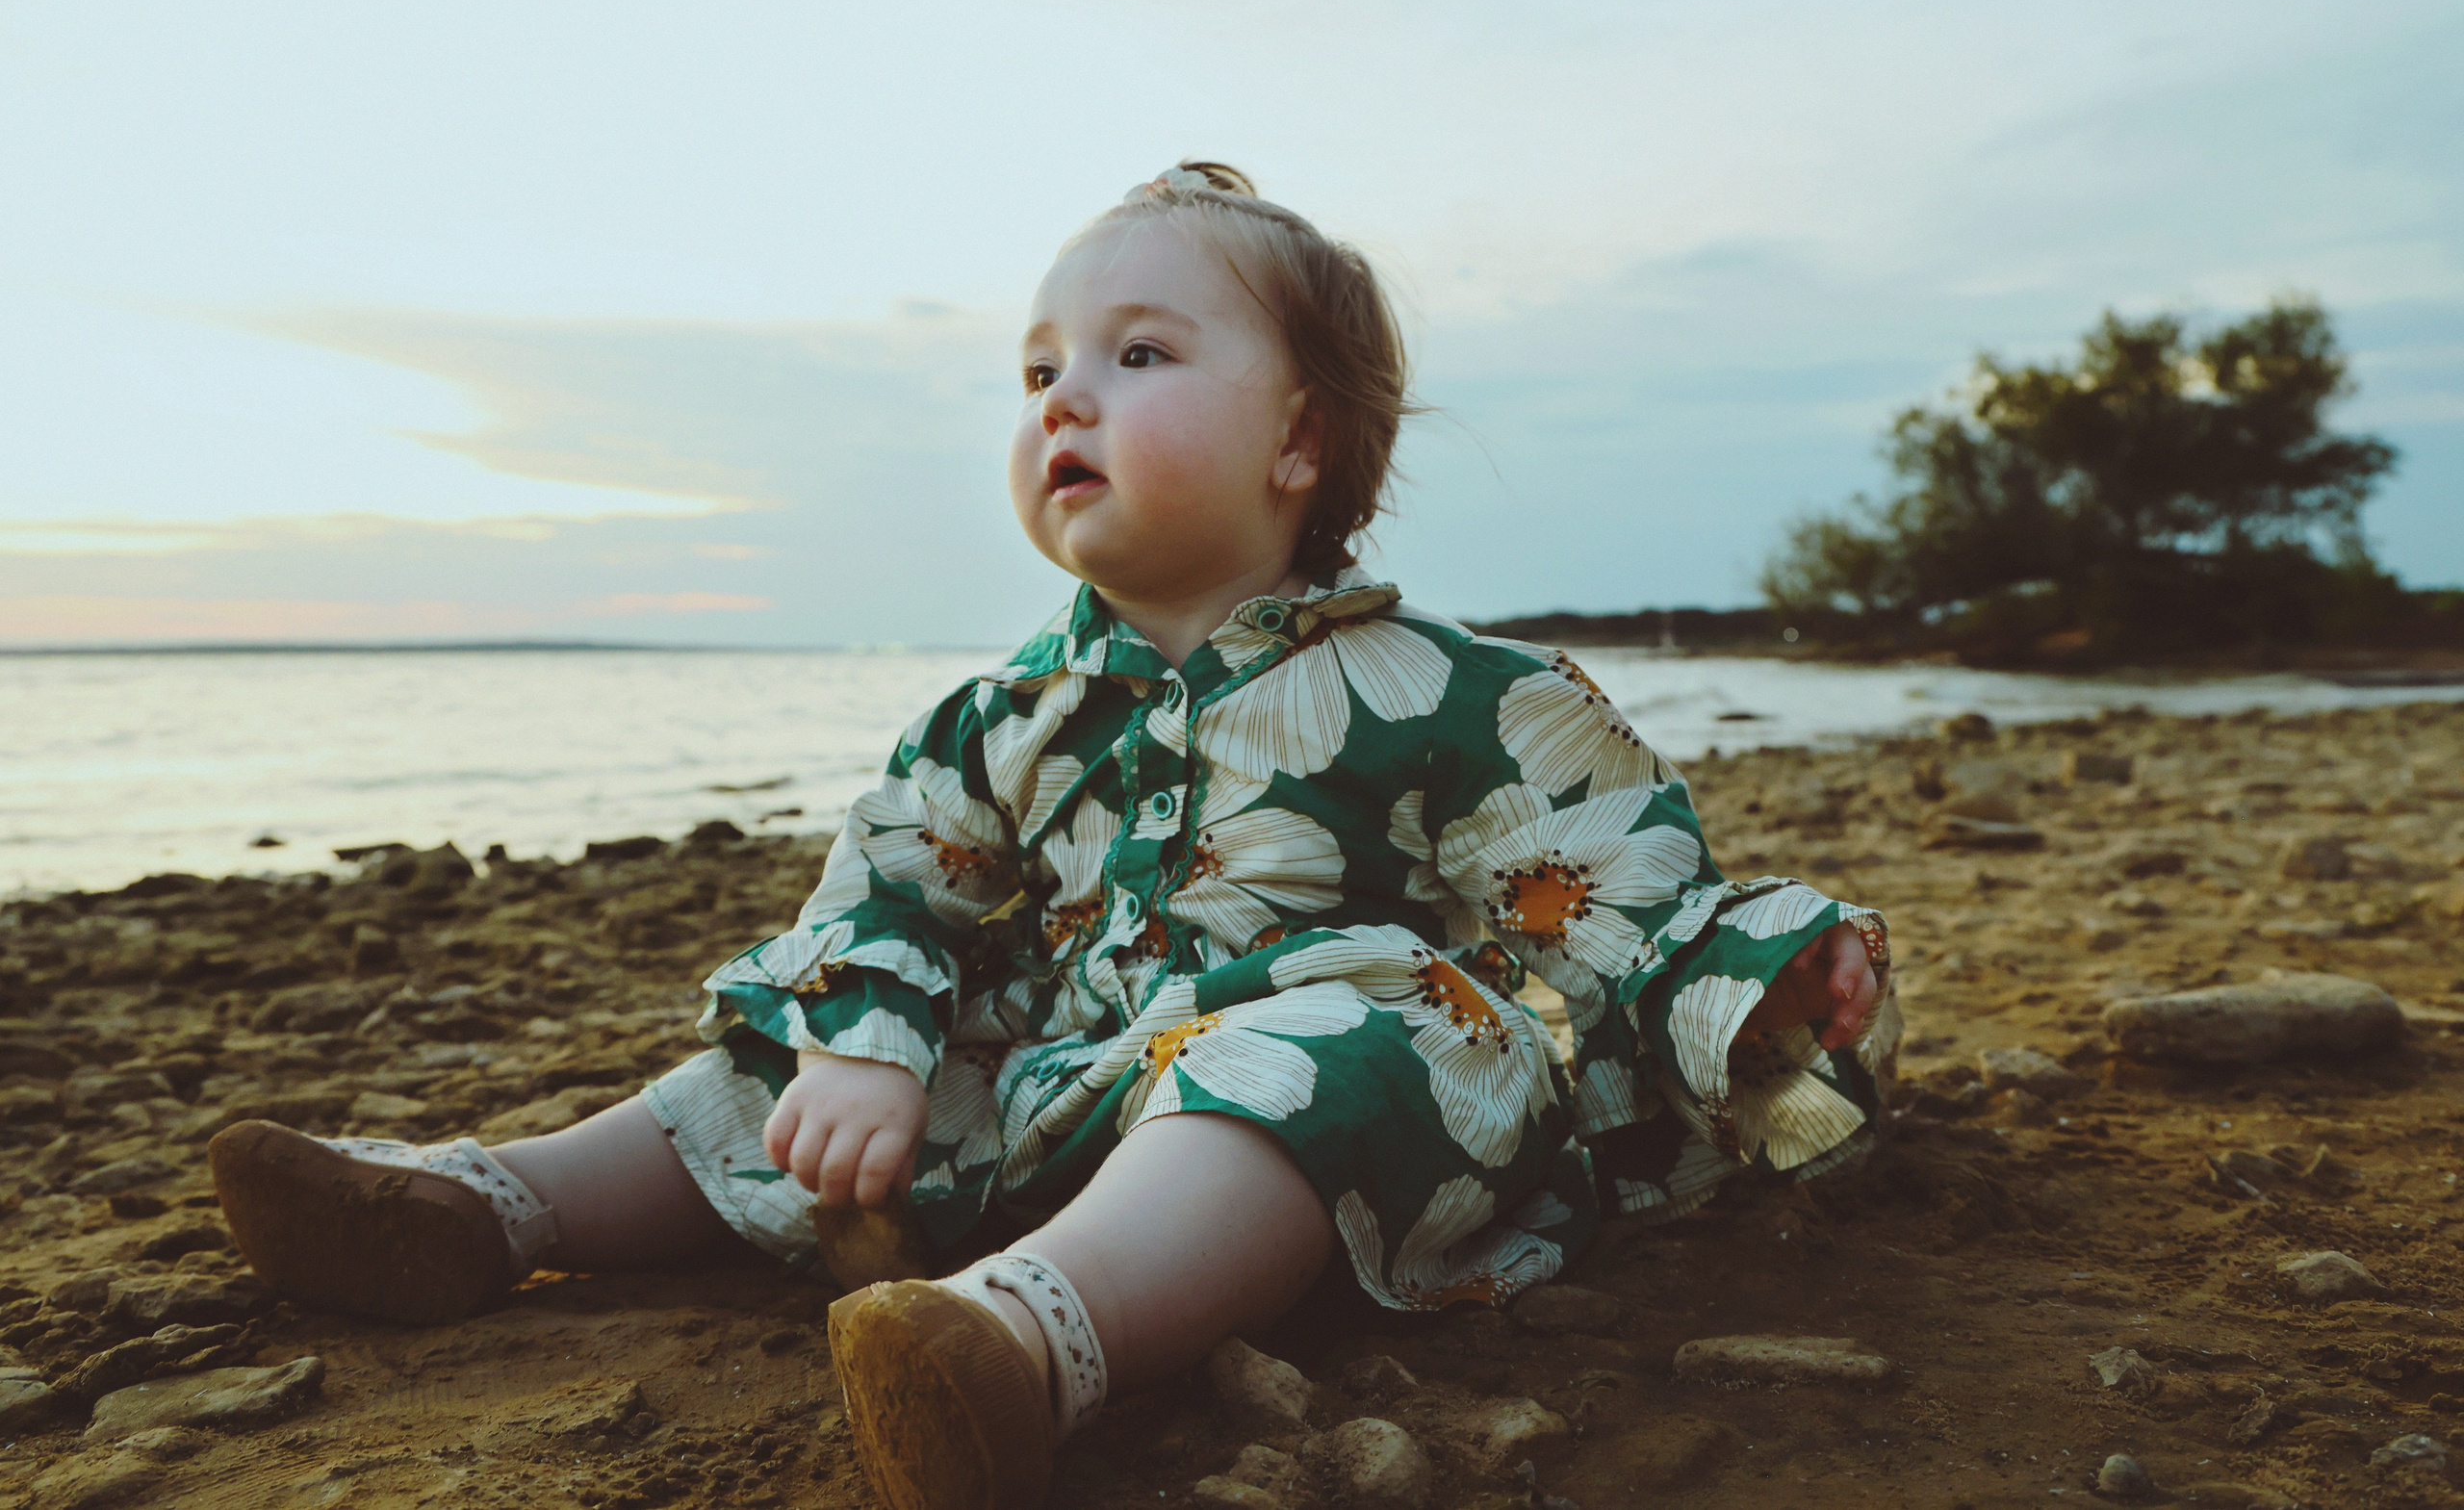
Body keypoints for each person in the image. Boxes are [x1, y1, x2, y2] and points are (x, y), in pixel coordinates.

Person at [210, 162, 1898, 1510]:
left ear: (1301, 441)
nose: (1062, 399)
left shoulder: (1461, 693)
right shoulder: (998, 716)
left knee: (1364, 1031)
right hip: (1067, 1087)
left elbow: (1617, 882)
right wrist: (868, 1049)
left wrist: (1758, 980)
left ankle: (1016, 1348)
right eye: (1038, 370)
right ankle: (496, 1206)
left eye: (1137, 356)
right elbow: (889, 884)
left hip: (1296, 1133)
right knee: (782, 1062)